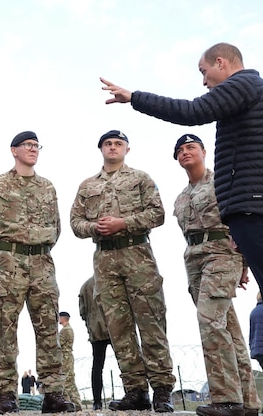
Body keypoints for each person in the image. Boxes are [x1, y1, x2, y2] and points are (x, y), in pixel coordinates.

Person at [101, 42, 263, 416]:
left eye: (204, 71)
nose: (205, 80)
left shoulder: (245, 85)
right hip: (253, 210)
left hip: (257, 207)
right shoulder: (247, 96)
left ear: (222, 63)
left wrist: (135, 97)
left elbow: (192, 112)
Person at [70, 130, 175, 413]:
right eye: (108, 144)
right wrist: (95, 227)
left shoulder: (140, 178)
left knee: (151, 322)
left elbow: (158, 213)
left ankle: (163, 389)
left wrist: (123, 222)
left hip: (138, 255)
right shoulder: (87, 185)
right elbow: (75, 222)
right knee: (118, 328)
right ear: (101, 149)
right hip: (105, 259)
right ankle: (135, 389)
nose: (113, 147)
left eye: (118, 144)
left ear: (127, 149)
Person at [0, 130, 75, 414]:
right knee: (5, 329)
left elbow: (56, 226)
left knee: (47, 329)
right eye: (27, 145)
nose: (33, 149)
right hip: (10, 265)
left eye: (36, 145)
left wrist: (38, 246)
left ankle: (53, 393)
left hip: (42, 263)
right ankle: (6, 394)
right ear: (13, 150)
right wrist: (1, 250)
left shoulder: (48, 187)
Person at [172, 133, 260, 416]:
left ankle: (226, 399)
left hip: (222, 254)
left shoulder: (221, 181)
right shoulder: (181, 197)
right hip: (194, 259)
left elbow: (241, 217)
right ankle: (248, 401)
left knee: (209, 320)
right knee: (227, 328)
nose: (186, 152)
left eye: (191, 147)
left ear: (203, 152)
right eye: (181, 150)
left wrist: (244, 263)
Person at [78, 276, 113, 410]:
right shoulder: (110, 279)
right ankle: (132, 393)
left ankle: (97, 402)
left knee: (97, 366)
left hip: (95, 328)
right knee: (125, 363)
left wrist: (90, 321)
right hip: (114, 326)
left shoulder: (85, 286)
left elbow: (82, 312)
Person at [58, 312, 83, 411]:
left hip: (65, 357)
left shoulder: (65, 330)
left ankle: (71, 404)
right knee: (70, 381)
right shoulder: (69, 329)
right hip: (68, 357)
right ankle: (76, 404)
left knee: (66, 381)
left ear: (63, 318)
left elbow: (58, 344)